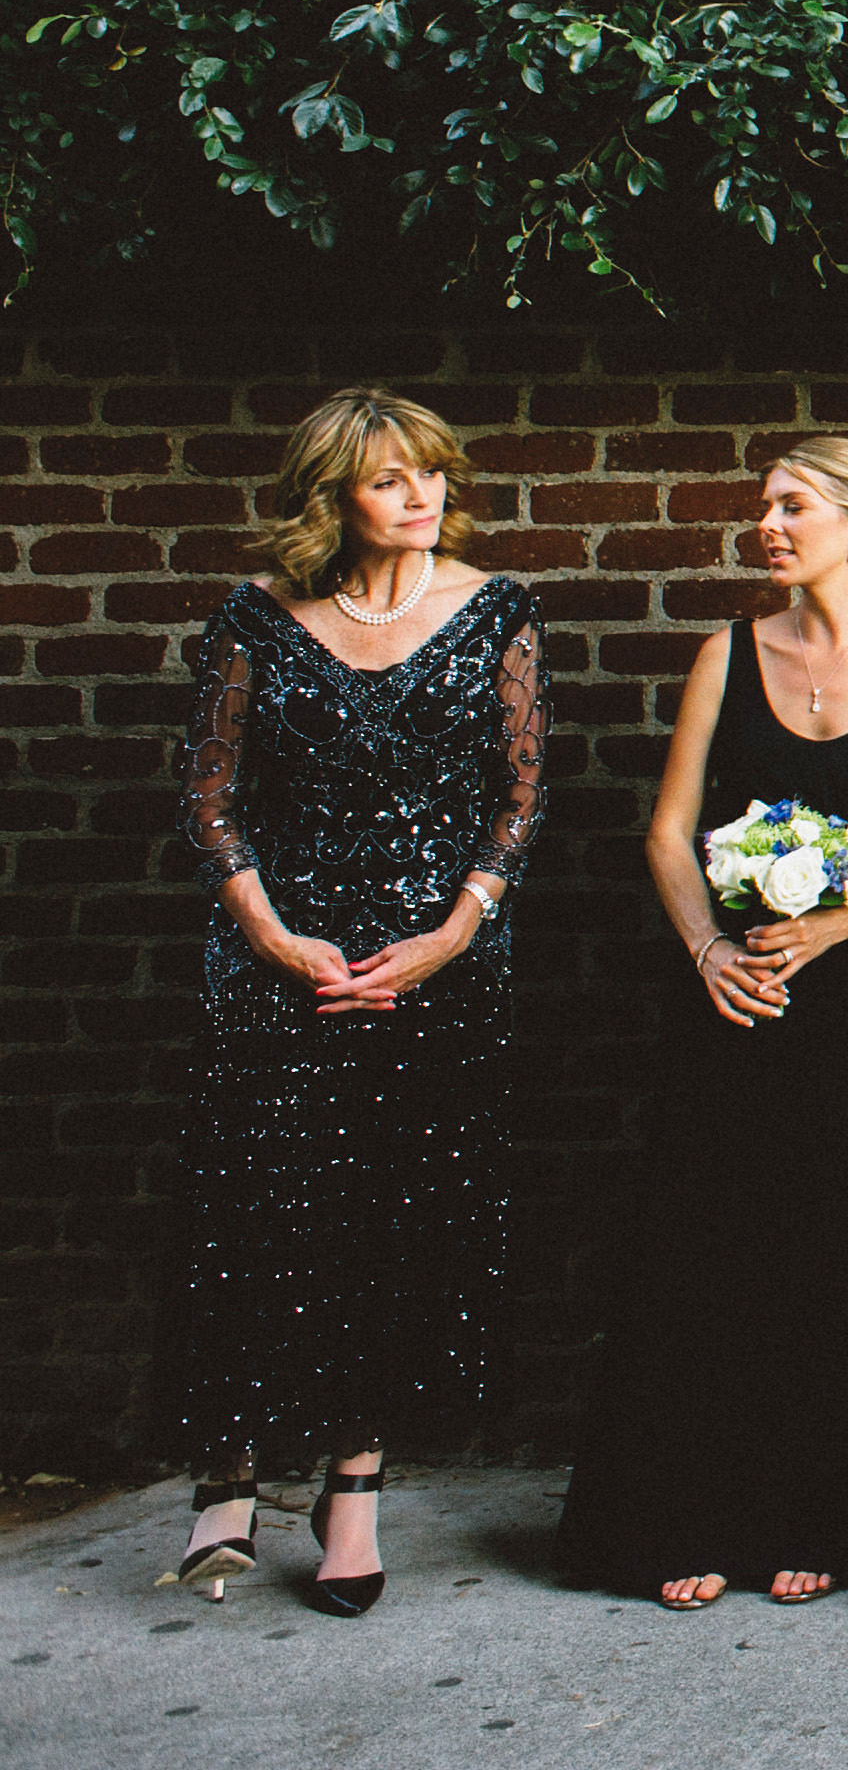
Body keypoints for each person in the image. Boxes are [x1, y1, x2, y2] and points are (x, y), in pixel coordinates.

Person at [558, 440, 848, 1607]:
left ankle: (821, 1515)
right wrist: (706, 950)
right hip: (733, 1002)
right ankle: (687, 1517)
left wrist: (839, 928)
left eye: (793, 506)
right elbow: (669, 830)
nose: (768, 525)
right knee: (712, 1256)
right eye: (762, 508)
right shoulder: (727, 654)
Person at [168, 388, 545, 1618]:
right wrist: (272, 933)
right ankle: (225, 1473)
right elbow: (210, 795)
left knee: (394, 1223)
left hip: (435, 966)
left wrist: (452, 930)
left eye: (432, 472)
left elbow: (519, 795)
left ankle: (354, 1490)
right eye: (389, 479)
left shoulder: (495, 609)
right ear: (332, 496)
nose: (421, 495)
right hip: (282, 963)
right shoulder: (259, 618)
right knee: (262, 1213)